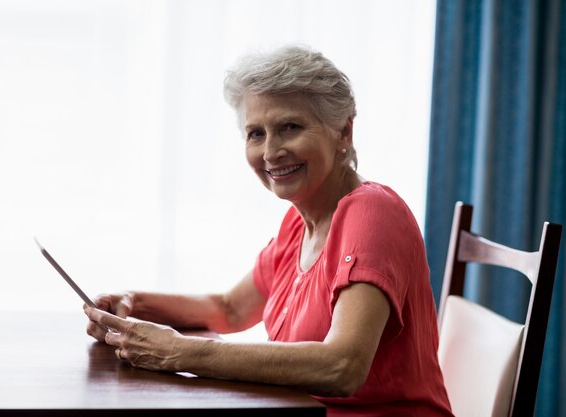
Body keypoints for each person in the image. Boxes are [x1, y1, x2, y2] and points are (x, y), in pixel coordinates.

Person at [84, 45, 454, 417]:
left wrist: (180, 352)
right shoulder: (300, 222)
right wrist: (132, 305)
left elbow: (342, 366)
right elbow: (229, 310)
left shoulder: (373, 213)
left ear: (343, 131)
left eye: (290, 127)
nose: (271, 151)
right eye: (255, 133)